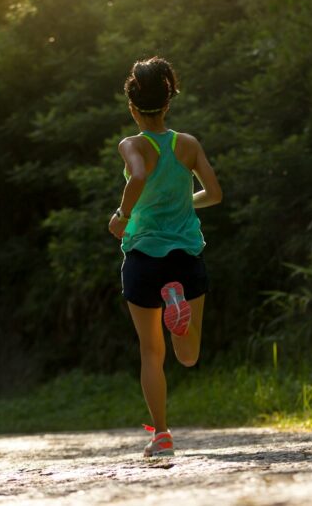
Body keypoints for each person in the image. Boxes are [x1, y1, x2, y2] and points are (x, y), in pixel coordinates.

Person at [107, 56, 222, 458]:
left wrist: (123, 216)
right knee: (187, 356)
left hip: (143, 257)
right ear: (168, 103)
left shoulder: (132, 144)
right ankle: (177, 304)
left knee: (150, 353)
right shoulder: (187, 144)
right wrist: (183, 204)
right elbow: (215, 194)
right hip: (186, 257)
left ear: (133, 107)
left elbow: (138, 176)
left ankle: (162, 435)